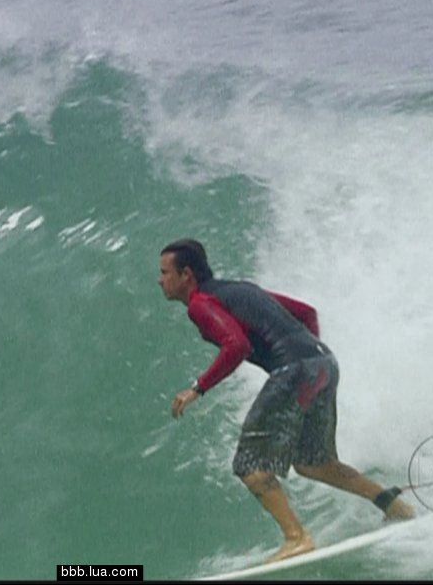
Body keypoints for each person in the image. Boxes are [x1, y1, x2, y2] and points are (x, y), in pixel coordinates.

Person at [158, 238, 413, 564]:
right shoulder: (240, 289)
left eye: (165, 272)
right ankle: (394, 506)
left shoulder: (200, 303)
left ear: (186, 275)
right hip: (324, 364)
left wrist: (198, 388)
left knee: (250, 466)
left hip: (296, 370)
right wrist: (308, 361)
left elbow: (236, 346)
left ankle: (297, 538)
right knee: (314, 462)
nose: (160, 279)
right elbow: (306, 313)